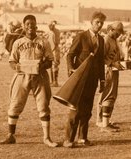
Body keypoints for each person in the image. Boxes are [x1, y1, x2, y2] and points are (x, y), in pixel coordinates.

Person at [0, 15, 58, 147]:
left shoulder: (44, 41)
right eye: (28, 24)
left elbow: (49, 61)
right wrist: (17, 67)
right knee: (15, 104)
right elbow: (12, 61)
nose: (30, 26)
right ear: (24, 26)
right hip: (22, 76)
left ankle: (46, 137)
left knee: (43, 106)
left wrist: (41, 66)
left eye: (33, 24)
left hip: (39, 76)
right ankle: (10, 135)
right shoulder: (18, 42)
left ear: (36, 26)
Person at [63, 11, 106, 148]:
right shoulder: (81, 36)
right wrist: (71, 70)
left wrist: (102, 80)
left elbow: (100, 62)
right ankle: (68, 140)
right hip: (80, 79)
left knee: (87, 110)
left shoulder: (101, 40)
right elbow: (70, 55)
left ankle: (82, 138)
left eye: (101, 23)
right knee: (75, 110)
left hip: (92, 81)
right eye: (97, 22)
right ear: (91, 22)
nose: (99, 25)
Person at [96, 22, 125, 132]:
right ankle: (104, 124)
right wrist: (112, 64)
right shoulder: (106, 39)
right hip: (107, 70)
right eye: (117, 32)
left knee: (105, 96)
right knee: (108, 95)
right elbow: (100, 58)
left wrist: (120, 63)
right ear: (110, 30)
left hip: (113, 70)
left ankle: (102, 121)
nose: (119, 34)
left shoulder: (113, 40)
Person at [47, 20, 60, 87]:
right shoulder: (52, 32)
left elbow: (54, 43)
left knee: (54, 66)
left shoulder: (54, 32)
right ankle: (53, 81)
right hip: (53, 50)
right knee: (52, 66)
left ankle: (55, 81)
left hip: (54, 50)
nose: (49, 27)